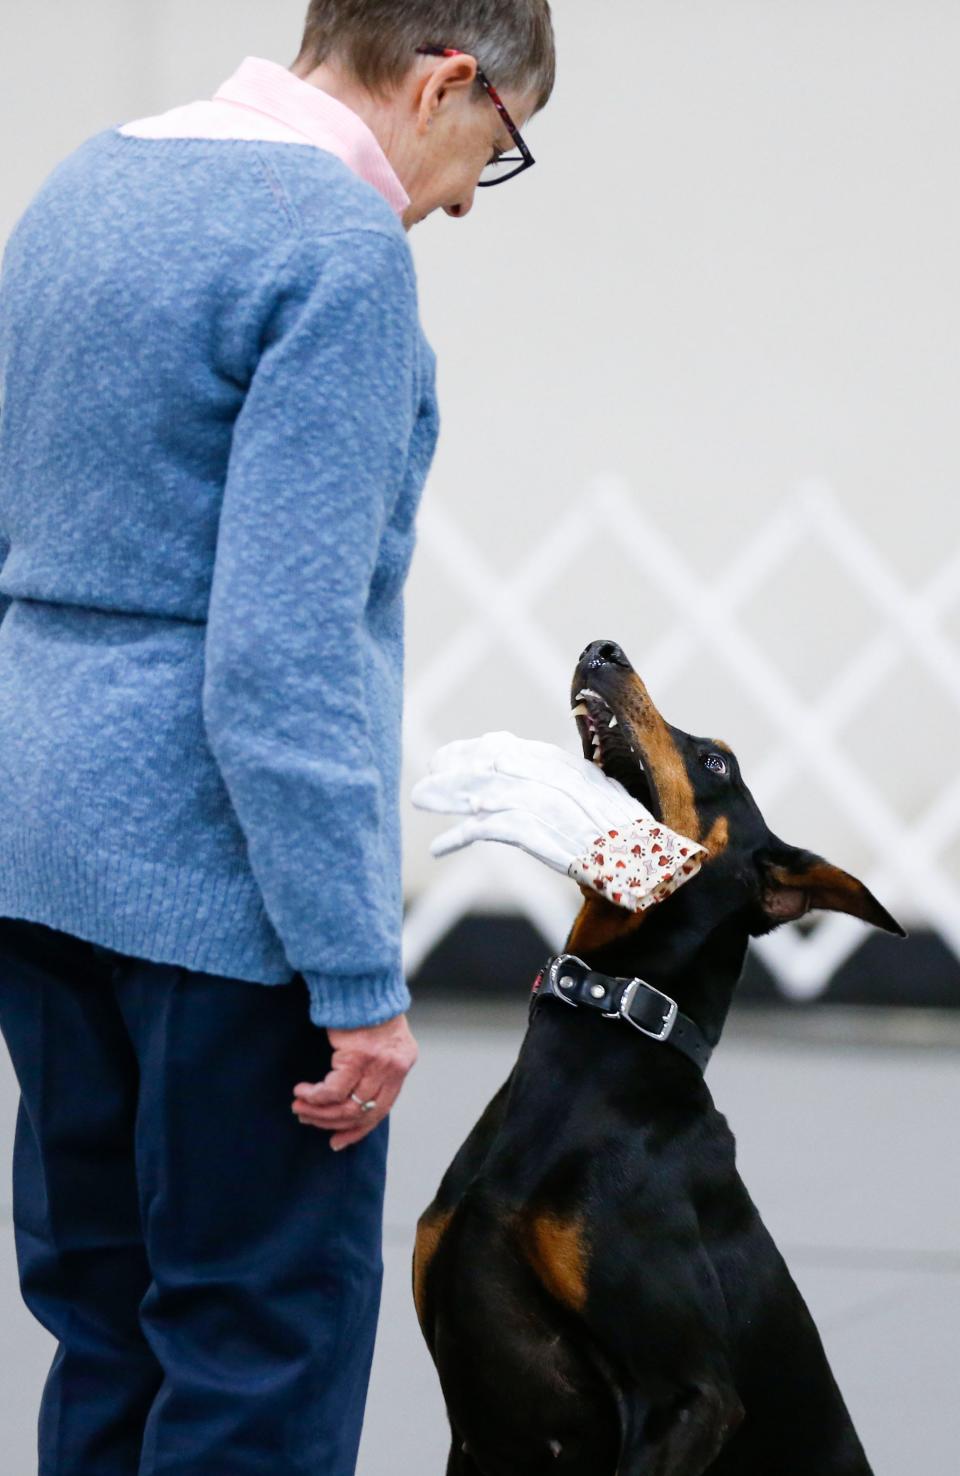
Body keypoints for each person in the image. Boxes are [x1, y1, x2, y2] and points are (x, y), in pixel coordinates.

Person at [0, 3, 555, 1472]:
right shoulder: (337, 254)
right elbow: (281, 657)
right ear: (450, 80)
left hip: (35, 842)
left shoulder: (85, 182)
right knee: (261, 1340)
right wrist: (358, 977)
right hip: (216, 889)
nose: (460, 201)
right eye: (495, 151)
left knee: (104, 1323)